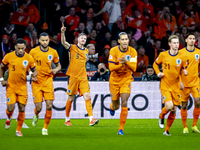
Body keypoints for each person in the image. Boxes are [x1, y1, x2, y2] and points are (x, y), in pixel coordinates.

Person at [61, 23, 99, 126]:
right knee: (71, 98)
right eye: (81, 38)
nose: (83, 39)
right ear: (78, 39)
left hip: (83, 77)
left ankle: (91, 119)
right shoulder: (72, 48)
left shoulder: (86, 51)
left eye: (84, 38)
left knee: (87, 96)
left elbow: (84, 60)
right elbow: (63, 42)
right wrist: (63, 32)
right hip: (73, 77)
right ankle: (67, 119)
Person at [0, 38, 37, 136]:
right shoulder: (9, 56)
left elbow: (34, 70)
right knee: (10, 108)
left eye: (23, 48)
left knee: (21, 109)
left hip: (22, 88)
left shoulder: (29, 58)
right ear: (15, 47)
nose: (21, 50)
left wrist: (33, 75)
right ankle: (8, 119)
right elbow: (1, 67)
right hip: (11, 87)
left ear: (25, 47)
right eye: (19, 48)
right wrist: (2, 80)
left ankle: (18, 130)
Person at [153, 35, 187, 136]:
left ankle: (166, 130)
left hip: (176, 86)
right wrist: (158, 72)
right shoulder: (163, 55)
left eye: (177, 43)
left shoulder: (181, 56)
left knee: (174, 109)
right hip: (165, 85)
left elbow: (184, 68)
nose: (176, 45)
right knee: (169, 106)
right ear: (169, 44)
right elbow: (155, 64)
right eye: (174, 43)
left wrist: (185, 72)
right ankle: (161, 116)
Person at [30, 32, 61, 135]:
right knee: (39, 107)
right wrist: (31, 74)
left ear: (49, 40)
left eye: (46, 40)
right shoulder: (33, 52)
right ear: (39, 40)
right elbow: (28, 66)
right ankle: (36, 114)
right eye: (43, 40)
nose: (45, 42)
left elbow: (59, 66)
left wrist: (56, 70)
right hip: (37, 82)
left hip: (48, 81)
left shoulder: (53, 52)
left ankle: (45, 129)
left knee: (49, 106)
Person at [108, 32, 137, 135]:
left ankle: (121, 129)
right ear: (119, 41)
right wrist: (122, 65)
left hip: (126, 79)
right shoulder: (113, 50)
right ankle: (112, 107)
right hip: (114, 80)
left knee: (124, 102)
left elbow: (134, 68)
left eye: (126, 39)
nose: (125, 41)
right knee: (116, 105)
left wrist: (126, 63)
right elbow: (111, 68)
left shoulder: (133, 51)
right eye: (123, 39)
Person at [179, 33, 200, 133]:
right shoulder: (180, 53)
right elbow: (176, 68)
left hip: (195, 82)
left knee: (198, 101)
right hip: (184, 83)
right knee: (184, 105)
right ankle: (185, 127)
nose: (192, 40)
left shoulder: (198, 52)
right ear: (186, 40)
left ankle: (194, 126)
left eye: (193, 39)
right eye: (190, 38)